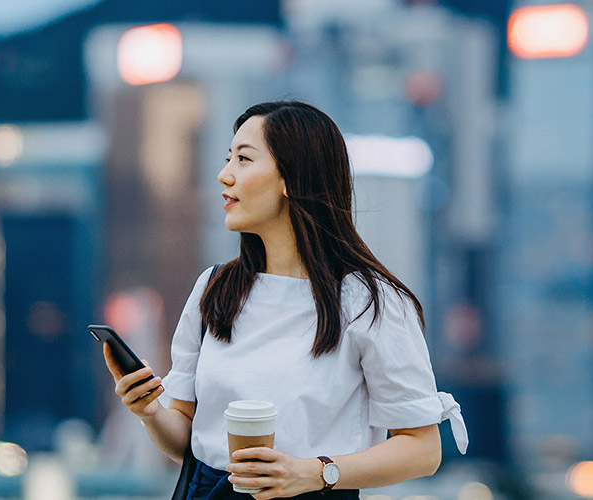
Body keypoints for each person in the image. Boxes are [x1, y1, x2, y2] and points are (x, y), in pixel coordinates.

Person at [101, 101, 467, 500]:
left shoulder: (370, 301)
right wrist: (150, 411)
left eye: (243, 159)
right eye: (228, 159)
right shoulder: (215, 288)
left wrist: (315, 473)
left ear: (291, 177)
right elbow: (188, 443)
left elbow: (422, 449)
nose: (225, 175)